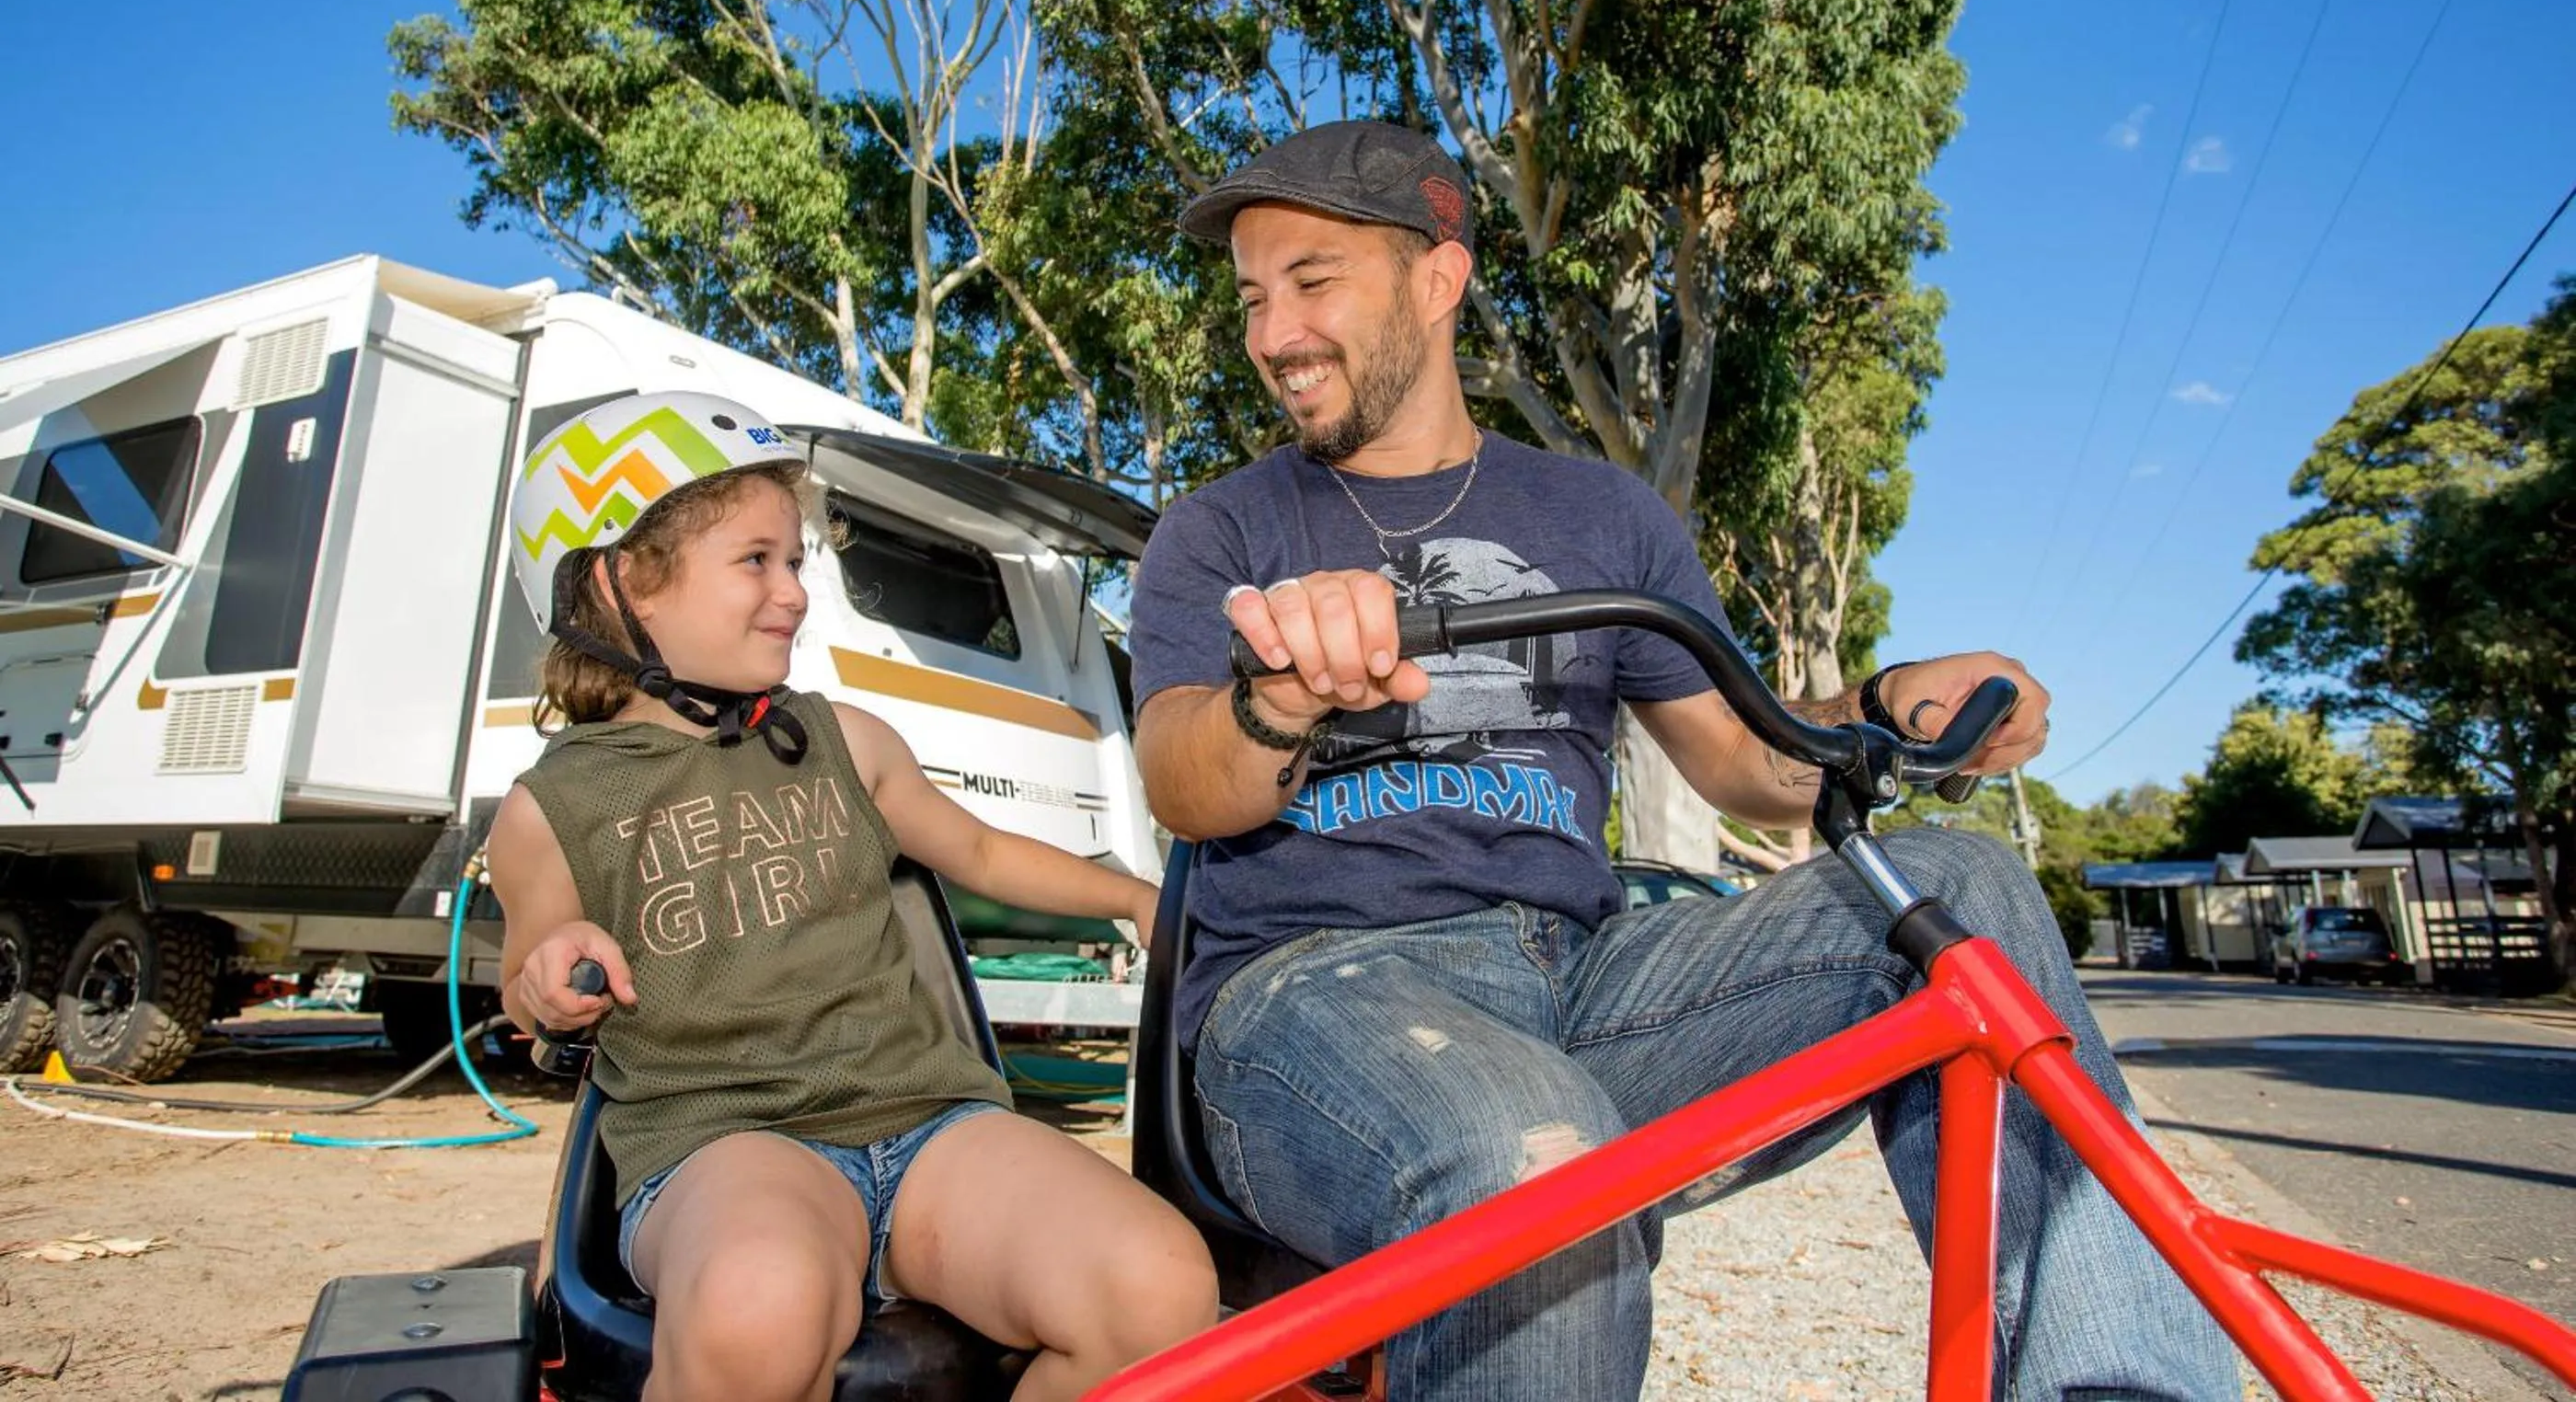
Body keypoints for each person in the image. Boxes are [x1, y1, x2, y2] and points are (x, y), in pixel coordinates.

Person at [1127, 122, 2237, 1400]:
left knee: (1959, 893)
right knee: (1539, 1164)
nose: (1273, 334)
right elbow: (1179, 777)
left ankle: (2119, 1386)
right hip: (1315, 998)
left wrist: (1886, 703)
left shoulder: (1604, 515)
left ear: (1439, 278)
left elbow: (1755, 764)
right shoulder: (1219, 529)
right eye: (1254, 299)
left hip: (1587, 981)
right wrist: (1277, 701)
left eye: (1312, 281)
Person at [484, 392, 1215, 1402]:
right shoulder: (549, 808)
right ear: (622, 585)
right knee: (758, 1305)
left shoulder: (842, 739)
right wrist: (551, 980)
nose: (792, 593)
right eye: (756, 561)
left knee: (1156, 1287)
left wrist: (1133, 896)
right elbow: (530, 985)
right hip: (723, 1140)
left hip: (927, 1123)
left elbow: (980, 850)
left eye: (795, 562)